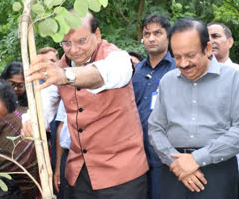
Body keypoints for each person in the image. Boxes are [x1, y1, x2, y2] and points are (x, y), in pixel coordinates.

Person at [22, 10, 148, 199]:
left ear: (96, 34)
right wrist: (31, 121)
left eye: (81, 41)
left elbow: (102, 75)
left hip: (123, 173)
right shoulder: (61, 65)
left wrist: (66, 76)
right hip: (79, 173)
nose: (73, 49)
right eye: (66, 43)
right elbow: (44, 101)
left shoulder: (117, 58)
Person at [148, 17, 239, 199]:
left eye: (190, 56)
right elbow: (155, 128)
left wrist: (197, 159)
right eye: (177, 57)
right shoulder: (167, 81)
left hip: (217, 168)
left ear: (207, 48)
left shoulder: (233, 78)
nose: (183, 63)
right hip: (174, 169)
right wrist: (176, 163)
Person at [208, 22, 239, 199]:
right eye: (207, 37)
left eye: (216, 36)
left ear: (230, 42)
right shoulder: (194, 77)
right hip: (205, 167)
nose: (211, 41)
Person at [132, 14, 177, 199]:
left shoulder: (178, 69)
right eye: (147, 33)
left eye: (157, 33)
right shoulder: (135, 71)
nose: (151, 38)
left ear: (169, 36)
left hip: (166, 156)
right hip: (135, 155)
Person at [0, 62, 38, 198]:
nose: (15, 89)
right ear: (3, 81)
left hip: (28, 174)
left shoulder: (32, 106)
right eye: (11, 83)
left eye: (20, 85)